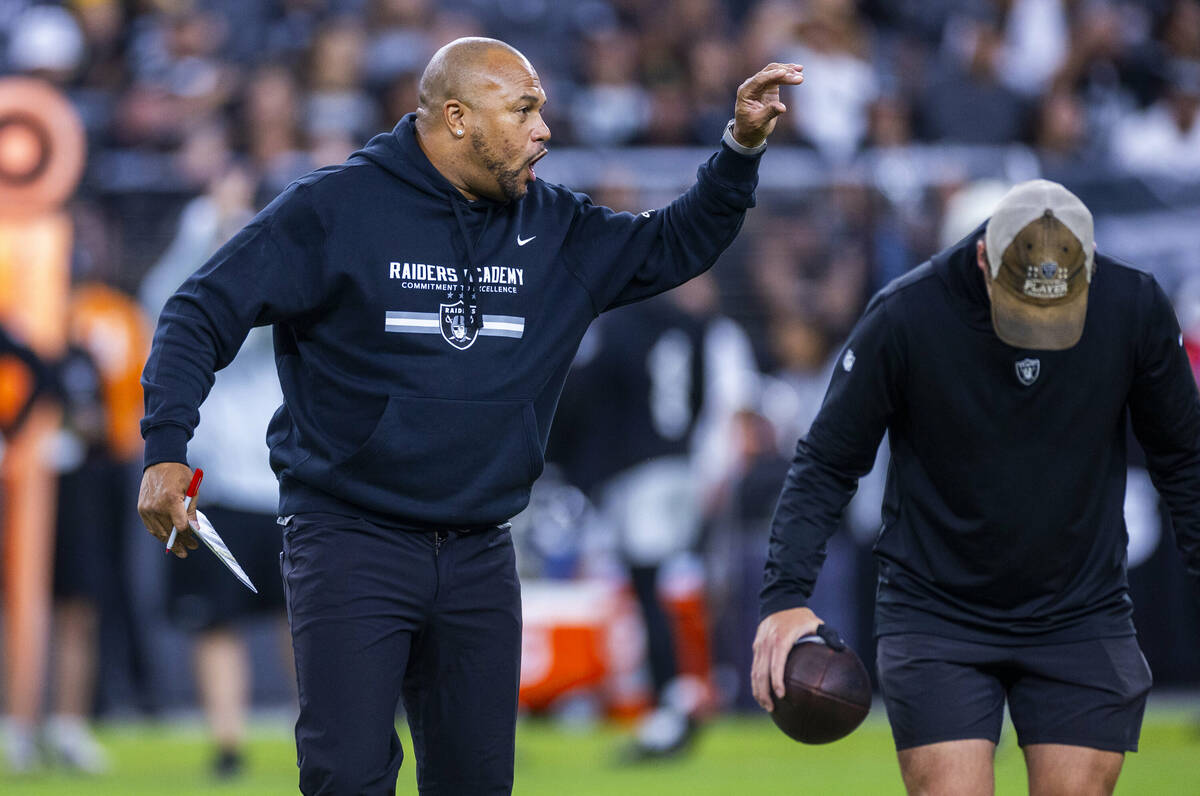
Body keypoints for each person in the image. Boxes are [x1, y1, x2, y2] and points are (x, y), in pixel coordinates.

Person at [137, 37, 803, 795]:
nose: (544, 130)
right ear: (455, 117)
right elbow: (197, 310)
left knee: (476, 786)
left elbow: (676, 241)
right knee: (346, 779)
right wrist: (166, 448)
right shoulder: (335, 209)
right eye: (523, 110)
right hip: (352, 540)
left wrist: (739, 148)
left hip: (481, 552)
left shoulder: (556, 228)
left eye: (541, 110)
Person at [751, 179, 1200, 796]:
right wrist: (784, 597)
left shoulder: (1134, 305)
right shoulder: (907, 314)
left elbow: (1184, 459)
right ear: (985, 257)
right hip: (937, 609)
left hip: (1080, 606)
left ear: (1089, 268)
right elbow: (828, 460)